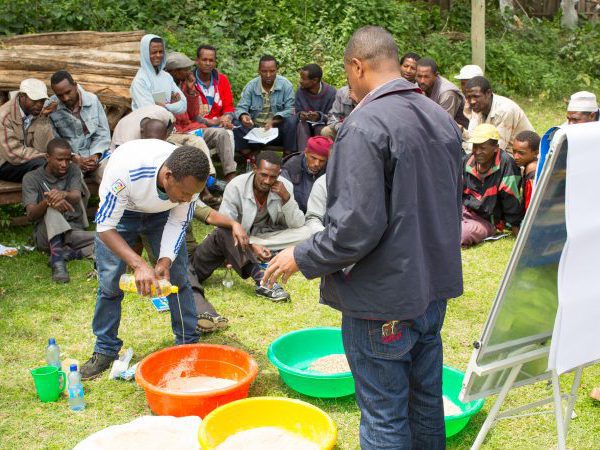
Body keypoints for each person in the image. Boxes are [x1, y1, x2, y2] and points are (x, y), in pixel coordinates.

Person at [263, 26, 463, 449]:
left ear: (357, 67)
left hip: (382, 298)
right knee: (424, 399)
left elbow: (355, 228)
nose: (349, 86)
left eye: (348, 74)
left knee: (384, 413)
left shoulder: (365, 124)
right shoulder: (439, 116)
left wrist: (301, 255)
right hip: (431, 288)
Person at [80, 141, 210, 379]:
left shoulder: (189, 184)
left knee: (178, 279)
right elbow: (105, 227)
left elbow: (179, 221)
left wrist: (164, 260)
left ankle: (186, 344)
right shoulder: (126, 171)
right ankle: (106, 349)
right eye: (184, 193)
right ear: (168, 176)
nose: (187, 199)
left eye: (192, 195)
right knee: (110, 284)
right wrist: (139, 264)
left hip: (163, 215)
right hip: (122, 213)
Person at [22, 138, 94, 283]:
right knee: (52, 209)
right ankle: (58, 262)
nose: (64, 164)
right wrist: (47, 202)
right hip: (47, 236)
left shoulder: (73, 169)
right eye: (60, 160)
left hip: (72, 232)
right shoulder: (31, 178)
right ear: (47, 158)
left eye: (68, 160)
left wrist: (63, 194)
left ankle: (70, 254)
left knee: (109, 239)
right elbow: (31, 215)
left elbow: (75, 195)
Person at [164, 51, 237, 182]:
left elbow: (193, 114)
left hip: (191, 127)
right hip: (177, 132)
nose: (189, 71)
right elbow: (167, 115)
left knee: (222, 134)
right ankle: (209, 181)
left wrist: (191, 91)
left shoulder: (185, 84)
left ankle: (230, 176)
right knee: (197, 141)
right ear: (174, 71)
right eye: (185, 69)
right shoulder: (164, 86)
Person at [219, 151, 306, 252]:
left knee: (307, 233)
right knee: (224, 237)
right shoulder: (236, 186)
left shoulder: (285, 186)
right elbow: (224, 223)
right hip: (241, 234)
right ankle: (249, 245)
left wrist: (286, 198)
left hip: (268, 235)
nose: (267, 181)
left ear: (279, 174)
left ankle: (249, 246)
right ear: (254, 169)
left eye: (273, 177)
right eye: (264, 175)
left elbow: (297, 224)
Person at [462, 124, 524, 246]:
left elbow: (511, 199)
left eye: (483, 148)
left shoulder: (506, 164)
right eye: (475, 147)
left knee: (463, 234)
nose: (477, 152)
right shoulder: (467, 161)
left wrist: (516, 229)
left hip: (487, 220)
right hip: (465, 211)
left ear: (496, 148)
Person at [48, 70, 111, 184]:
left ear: (75, 85)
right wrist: (73, 158)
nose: (65, 98)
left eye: (68, 92)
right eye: (60, 95)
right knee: (74, 182)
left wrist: (95, 155)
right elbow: (54, 141)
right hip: (69, 160)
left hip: (96, 157)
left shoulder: (92, 100)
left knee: (109, 175)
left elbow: (103, 133)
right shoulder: (51, 107)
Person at [233, 55, 296, 155]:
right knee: (236, 120)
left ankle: (288, 157)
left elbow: (290, 110)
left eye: (272, 71)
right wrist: (244, 116)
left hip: (276, 131)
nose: (268, 75)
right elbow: (241, 107)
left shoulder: (286, 85)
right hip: (255, 130)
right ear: (259, 71)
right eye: (264, 71)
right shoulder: (251, 86)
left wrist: (274, 121)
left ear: (277, 70)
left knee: (292, 120)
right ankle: (250, 157)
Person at [0, 78, 54, 182]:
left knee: (56, 166)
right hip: (5, 164)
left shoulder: (37, 112)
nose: (39, 104)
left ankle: (62, 196)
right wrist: (47, 157)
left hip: (29, 160)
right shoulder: (3, 117)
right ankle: (51, 197)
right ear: (22, 96)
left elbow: (42, 148)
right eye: (35, 100)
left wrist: (43, 119)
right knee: (43, 166)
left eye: (42, 101)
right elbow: (13, 154)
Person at [465, 76, 534, 154]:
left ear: (488, 93)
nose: (472, 101)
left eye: (476, 96)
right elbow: (473, 137)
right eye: (468, 97)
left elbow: (497, 148)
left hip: (518, 154)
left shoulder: (505, 110)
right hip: (493, 150)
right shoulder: (478, 107)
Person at [130, 34, 186, 115]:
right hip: (147, 126)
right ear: (145, 53)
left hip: (169, 124)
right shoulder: (140, 81)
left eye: (161, 52)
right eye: (154, 52)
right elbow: (150, 112)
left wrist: (166, 106)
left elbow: (184, 105)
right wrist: (173, 105)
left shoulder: (167, 77)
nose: (158, 55)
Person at [280, 135, 332, 213]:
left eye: (322, 161)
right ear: (306, 152)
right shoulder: (290, 167)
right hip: (295, 216)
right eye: (313, 158)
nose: (317, 164)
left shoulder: (331, 170)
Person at [416, 57, 468, 128]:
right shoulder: (417, 86)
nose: (422, 81)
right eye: (419, 76)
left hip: (459, 133)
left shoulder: (447, 93)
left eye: (426, 77)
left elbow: (443, 125)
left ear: (436, 75)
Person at [295, 63, 336, 151]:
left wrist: (319, 116)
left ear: (314, 80)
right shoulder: (300, 92)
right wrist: (301, 114)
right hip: (305, 123)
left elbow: (332, 116)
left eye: (303, 78)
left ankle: (320, 158)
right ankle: (303, 157)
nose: (300, 81)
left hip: (322, 124)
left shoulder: (331, 93)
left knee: (321, 129)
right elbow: (297, 111)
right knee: (301, 126)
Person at [513, 130, 540, 213]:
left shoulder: (532, 169)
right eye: (514, 151)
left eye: (521, 153)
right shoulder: (528, 165)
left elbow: (531, 206)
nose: (516, 157)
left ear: (536, 153)